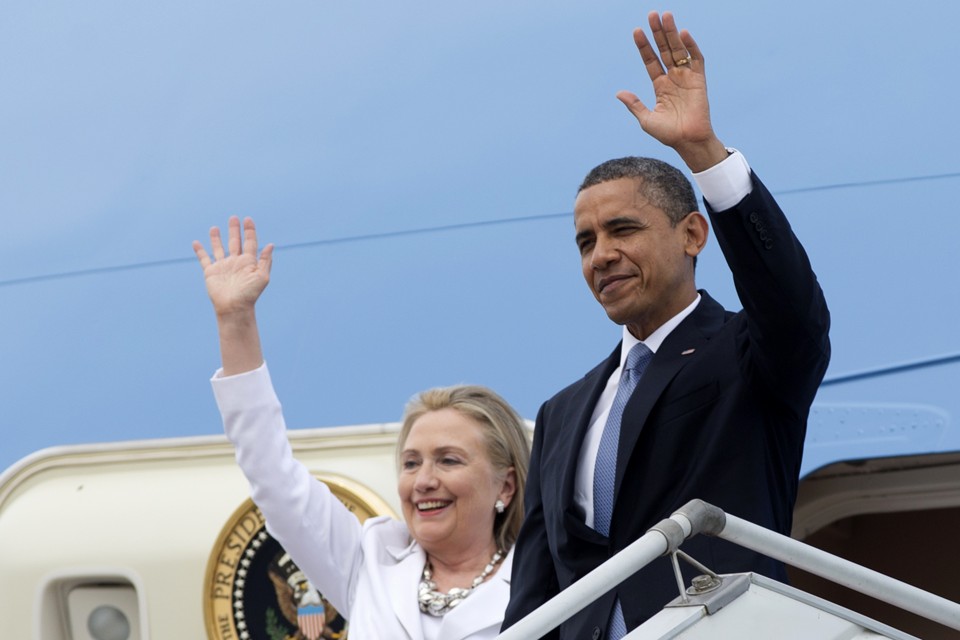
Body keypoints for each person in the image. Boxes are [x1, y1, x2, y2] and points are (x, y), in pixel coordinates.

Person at [502, 11, 831, 638]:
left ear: (692, 234)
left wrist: (704, 156)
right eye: (585, 241)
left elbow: (791, 305)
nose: (600, 254)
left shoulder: (746, 355)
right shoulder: (562, 413)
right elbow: (537, 596)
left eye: (623, 229)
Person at [193, 216, 531, 640]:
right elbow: (272, 476)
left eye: (448, 460)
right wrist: (235, 319)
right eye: (411, 463)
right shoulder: (369, 559)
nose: (423, 481)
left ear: (506, 486)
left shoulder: (543, 580)